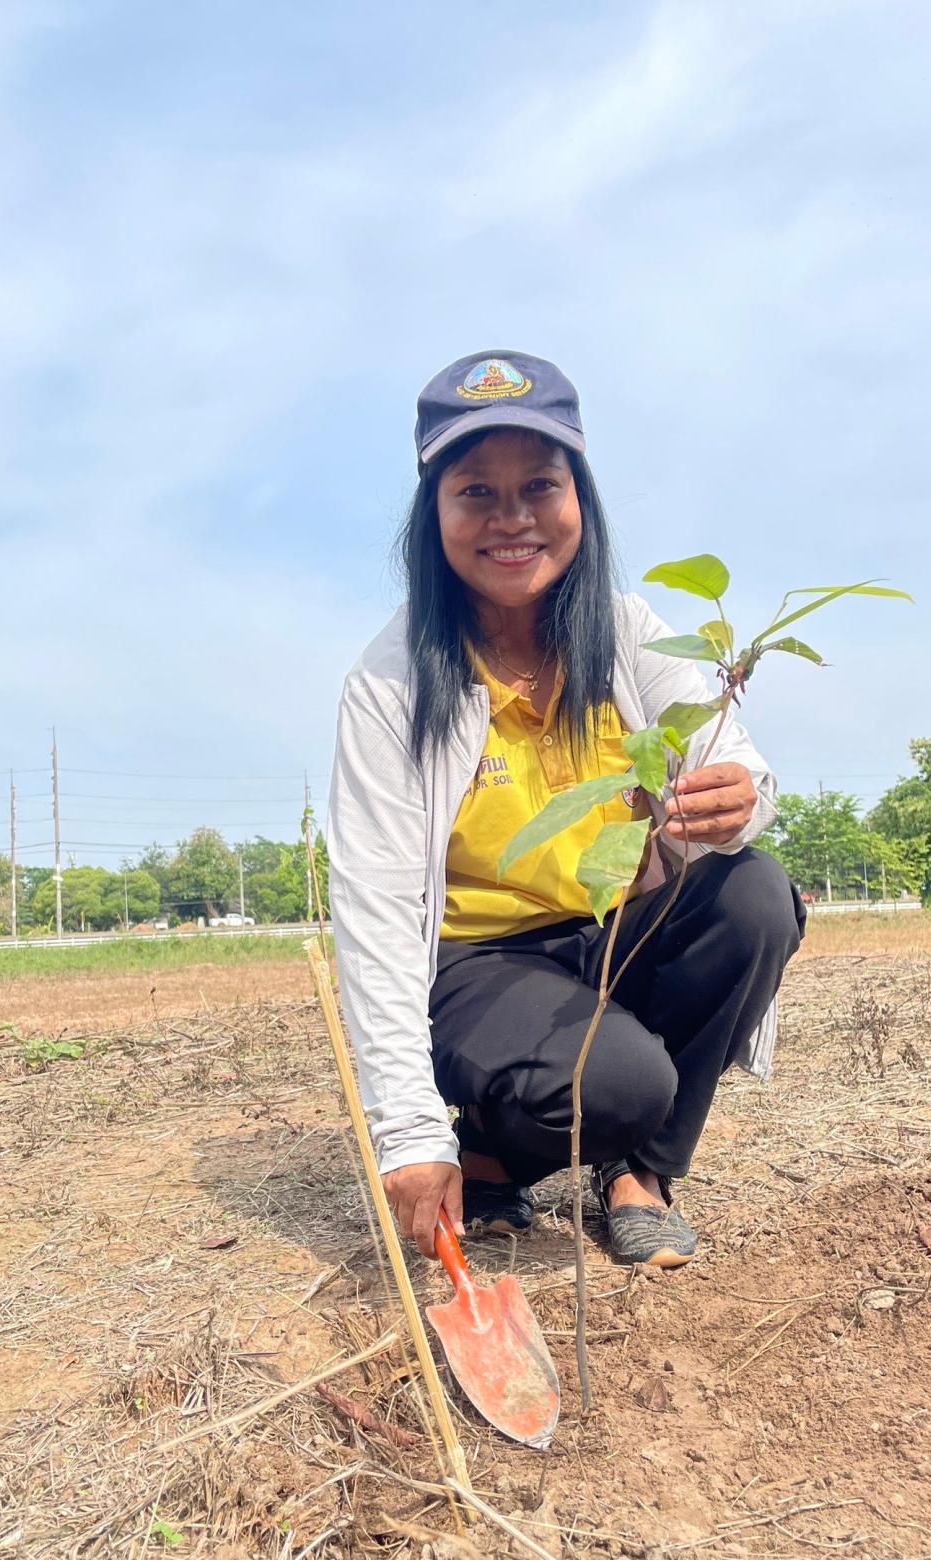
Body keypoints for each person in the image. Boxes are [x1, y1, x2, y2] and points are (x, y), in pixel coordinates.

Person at [328, 351, 804, 1269]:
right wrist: (407, 1134)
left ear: (578, 495)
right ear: (433, 515)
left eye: (539, 485)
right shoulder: (391, 684)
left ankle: (643, 1173)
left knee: (755, 897)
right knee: (621, 1079)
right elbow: (378, 911)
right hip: (479, 965)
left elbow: (736, 767)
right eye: (476, 491)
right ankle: (493, 1147)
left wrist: (736, 803)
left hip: (610, 924)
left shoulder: (628, 632)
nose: (512, 518)